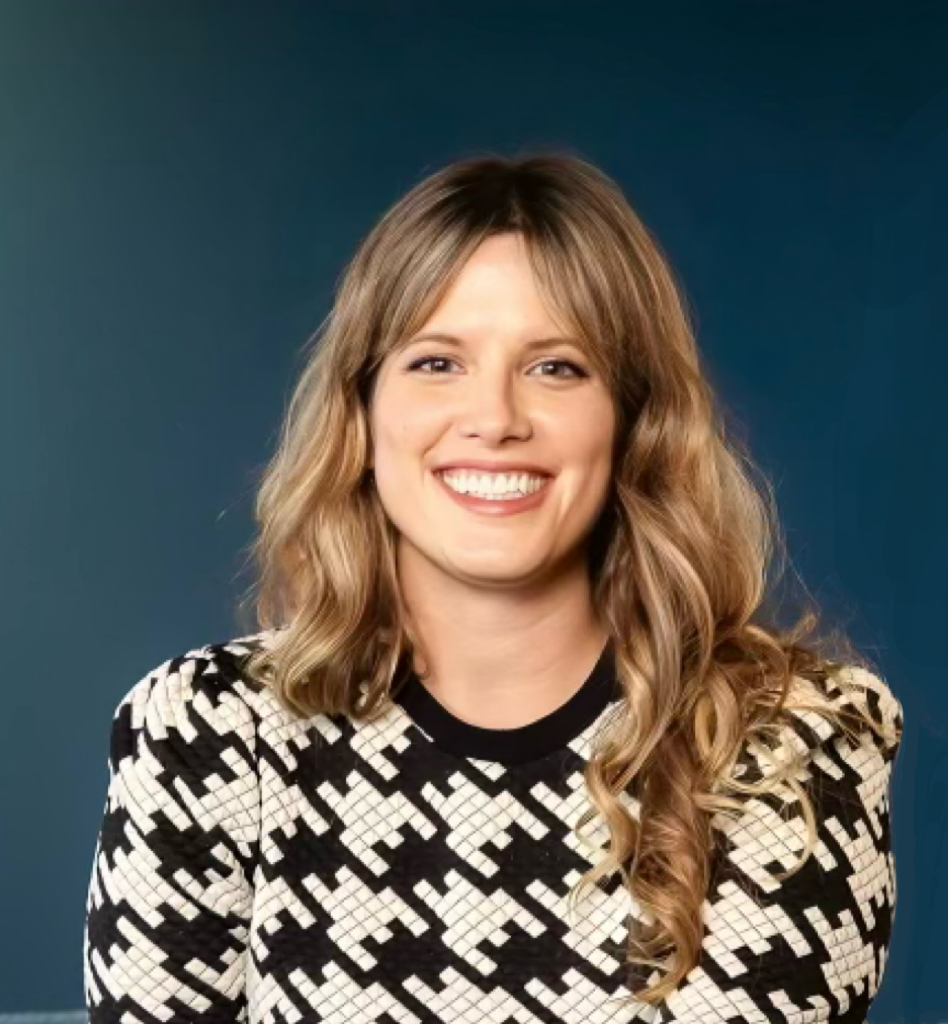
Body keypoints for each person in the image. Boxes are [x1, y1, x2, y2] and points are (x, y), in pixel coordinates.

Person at [83, 151, 904, 1023]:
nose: (495, 419)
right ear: (362, 410)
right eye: (437, 362)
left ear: (633, 420)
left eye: (557, 367)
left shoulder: (794, 742)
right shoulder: (209, 733)